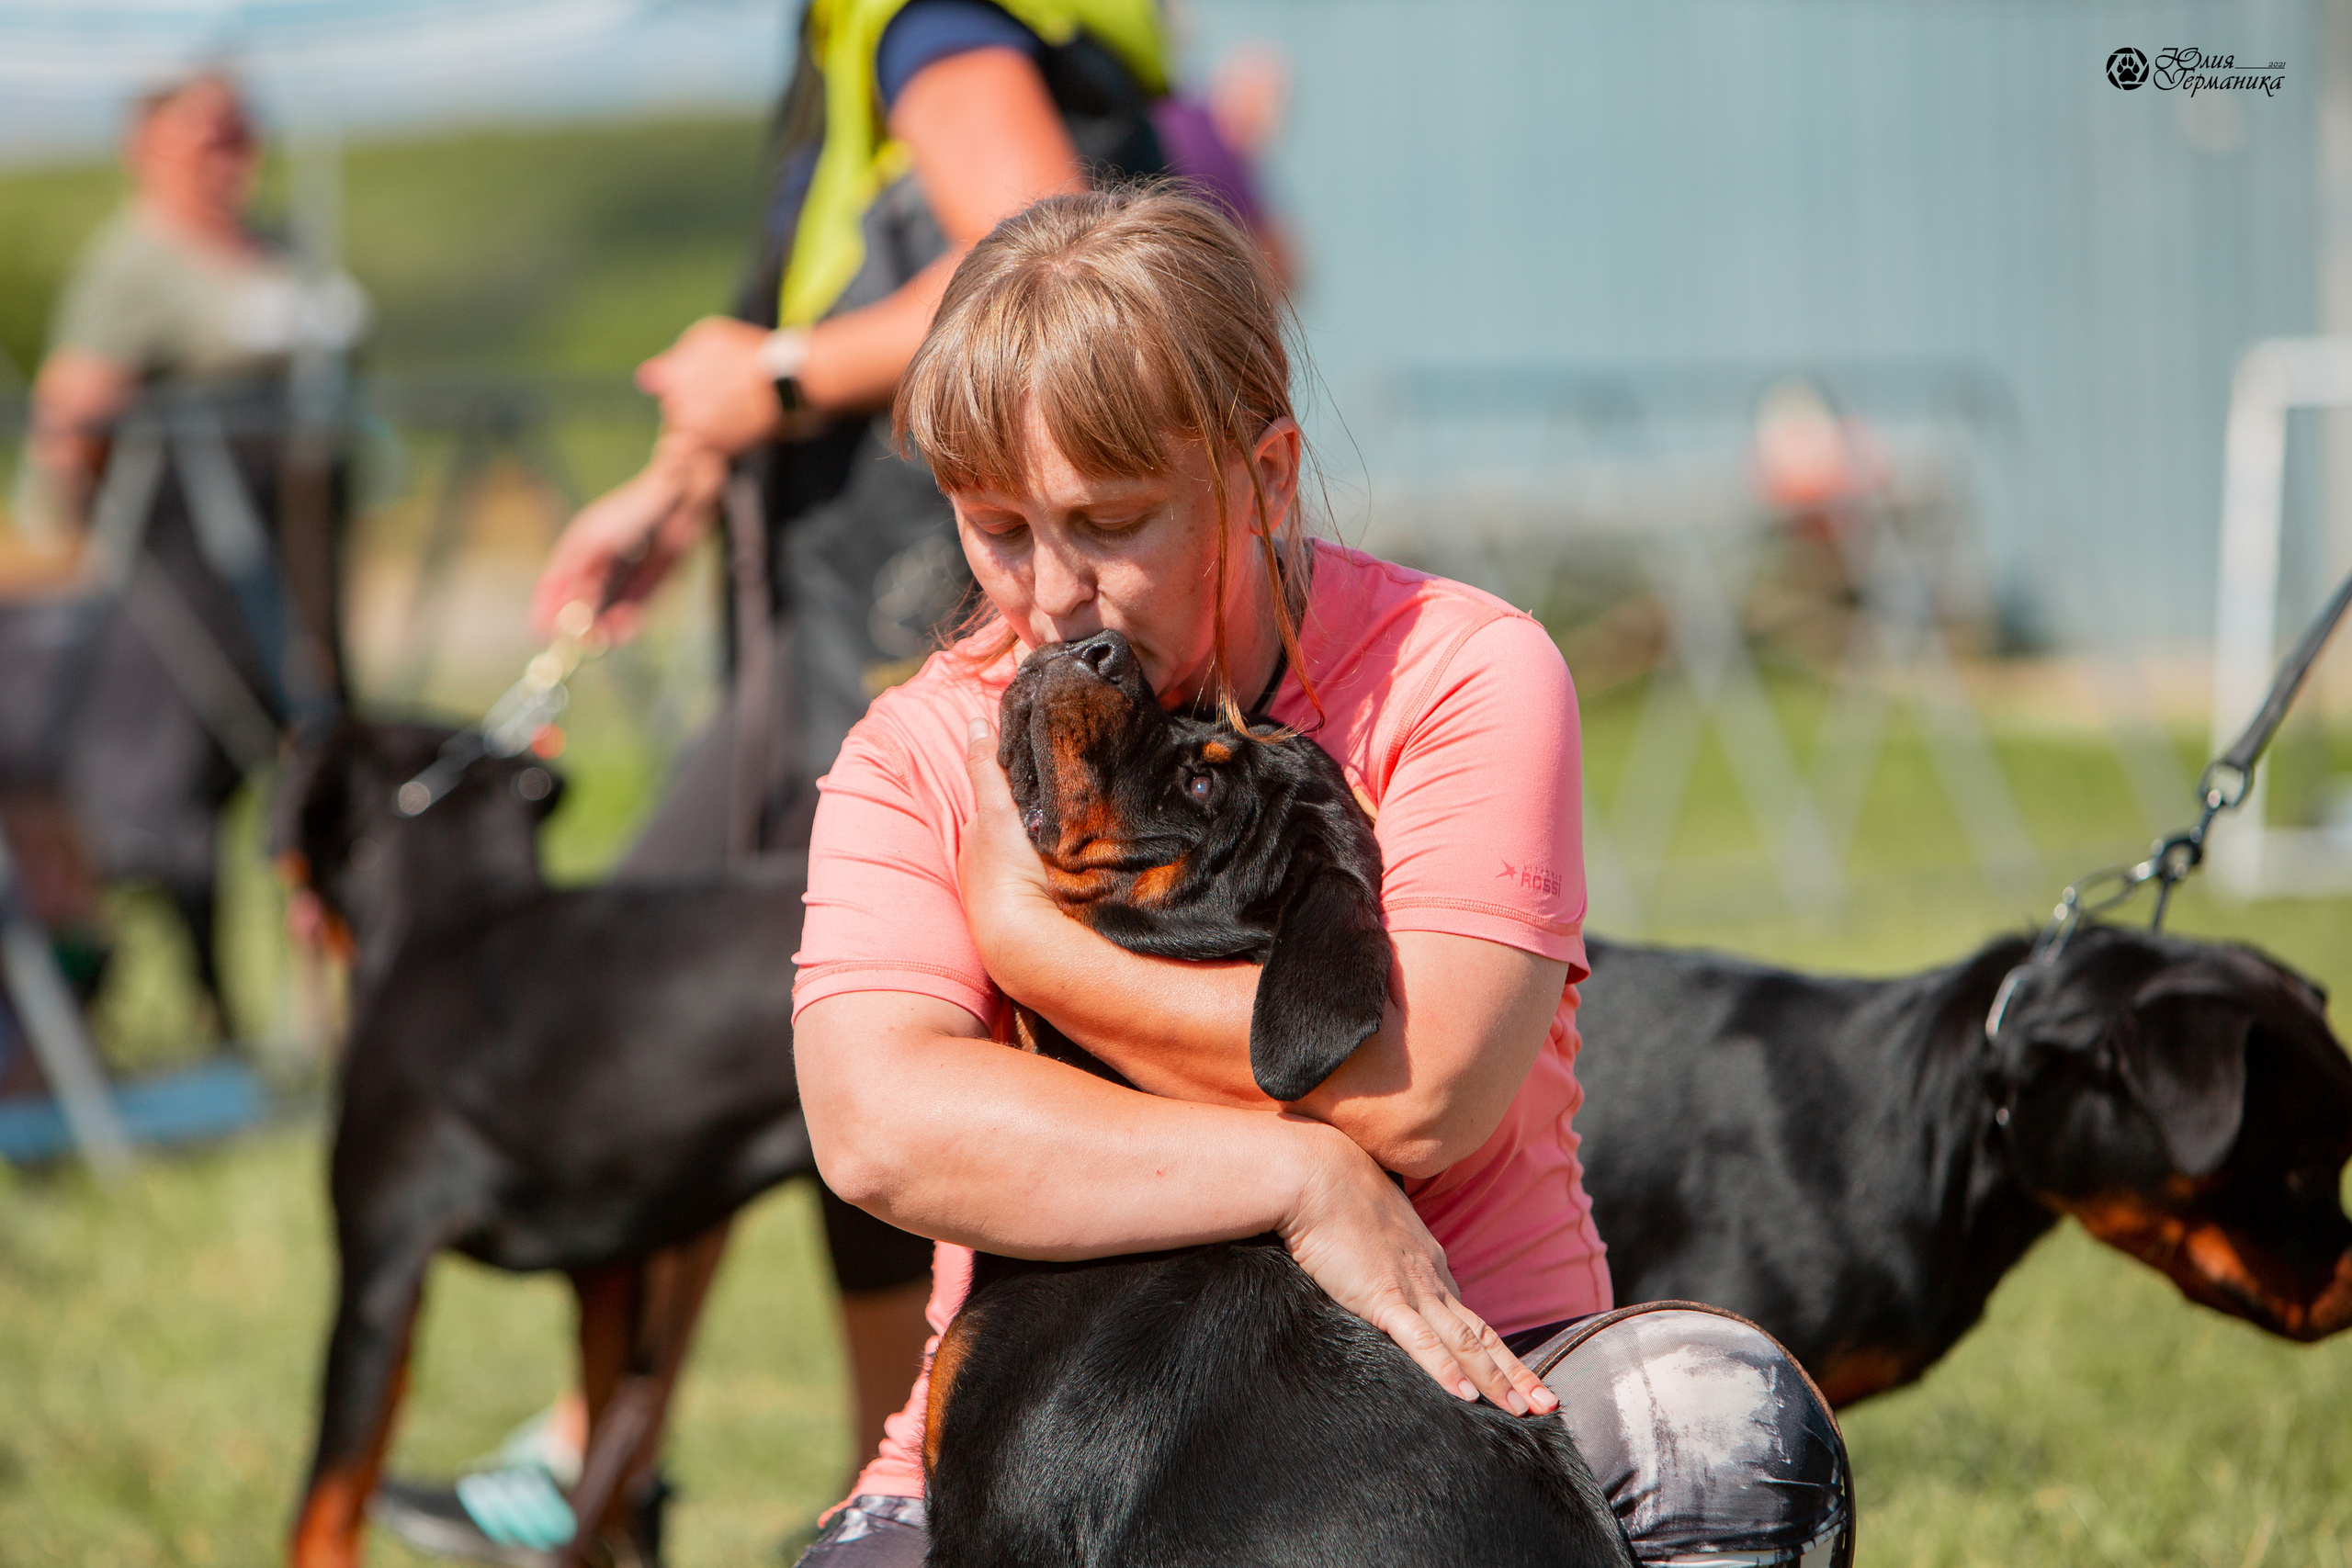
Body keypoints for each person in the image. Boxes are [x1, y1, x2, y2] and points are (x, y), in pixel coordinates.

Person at [788, 186, 1854, 1567]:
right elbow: (879, 1121)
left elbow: (1429, 1093)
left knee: (1721, 1428)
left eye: (1112, 520)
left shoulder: (1460, 668)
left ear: (1267, 473)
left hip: (1478, 1382)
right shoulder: (924, 745)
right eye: (996, 530)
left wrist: (1028, 940)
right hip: (1054, 1442)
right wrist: (1295, 1175)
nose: (1052, 595)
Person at [372, 4, 1186, 1557]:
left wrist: (792, 374)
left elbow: (1036, 244)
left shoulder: (928, 21)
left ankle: (874, 1474)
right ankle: (637, 1458)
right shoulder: (866, 40)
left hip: (900, 629)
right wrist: (684, 481)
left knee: (830, 1027)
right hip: (831, 619)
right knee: (730, 1024)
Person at [23, 71, 362, 1026]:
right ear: (148, 142)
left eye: (242, 126)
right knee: (171, 801)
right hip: (179, 570)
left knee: (317, 780)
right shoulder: (135, 262)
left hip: (292, 562)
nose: (232, 147)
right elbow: (72, 418)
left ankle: (336, 1015)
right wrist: (81, 543)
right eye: (205, 130)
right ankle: (191, 1010)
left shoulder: (285, 246)